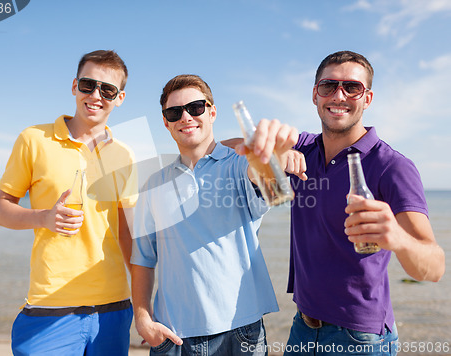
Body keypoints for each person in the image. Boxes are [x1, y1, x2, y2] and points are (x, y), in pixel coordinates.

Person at [283, 50, 445, 355]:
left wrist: (397, 238)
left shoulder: (391, 166)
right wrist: (270, 151)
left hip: (359, 338)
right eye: (328, 86)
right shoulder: (302, 149)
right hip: (301, 328)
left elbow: (433, 267)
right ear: (315, 94)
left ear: (367, 98)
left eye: (352, 87)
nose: (339, 95)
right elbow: (232, 147)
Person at [131, 74, 300, 355]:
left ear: (212, 112)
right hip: (173, 336)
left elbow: (264, 180)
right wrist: (143, 319)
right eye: (174, 112)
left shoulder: (239, 163)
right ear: (166, 122)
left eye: (196, 107)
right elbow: (143, 259)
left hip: (242, 331)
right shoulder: (153, 185)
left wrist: (275, 158)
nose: (186, 117)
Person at [0, 50, 138, 355]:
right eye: (88, 85)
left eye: (107, 89)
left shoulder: (126, 153)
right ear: (74, 86)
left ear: (119, 98)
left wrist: (147, 304)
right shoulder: (33, 138)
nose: (96, 95)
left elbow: (127, 233)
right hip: (50, 306)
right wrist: (42, 217)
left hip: (113, 308)